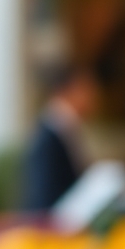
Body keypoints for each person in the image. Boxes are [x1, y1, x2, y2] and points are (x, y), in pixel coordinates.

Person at [21, 67, 98, 212]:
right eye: (86, 89)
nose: (93, 96)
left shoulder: (64, 127)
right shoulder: (49, 136)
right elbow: (44, 197)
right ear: (68, 90)